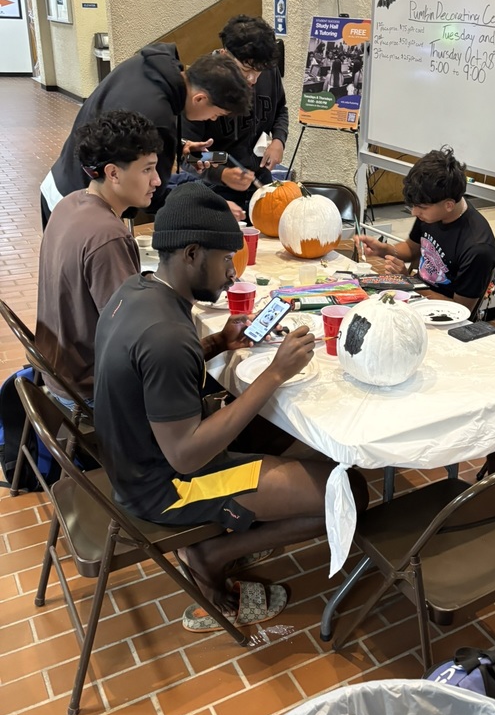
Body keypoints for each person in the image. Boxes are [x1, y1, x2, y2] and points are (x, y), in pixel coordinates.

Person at [93, 182, 368, 631]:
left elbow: (151, 375)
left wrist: (217, 342)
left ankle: (238, 529)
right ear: (192, 253)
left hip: (134, 460)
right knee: (349, 493)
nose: (230, 275)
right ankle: (209, 553)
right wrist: (274, 374)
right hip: (167, 489)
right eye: (226, 261)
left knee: (302, 445)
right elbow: (187, 455)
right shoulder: (166, 336)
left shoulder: (138, 290)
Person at [40, 45, 251, 226]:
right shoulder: (158, 116)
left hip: (61, 179)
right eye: (216, 114)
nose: (212, 120)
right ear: (200, 99)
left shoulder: (153, 66)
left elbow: (124, 135)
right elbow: (152, 195)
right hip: (81, 203)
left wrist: (179, 146)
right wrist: (211, 207)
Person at [35, 111, 163, 407]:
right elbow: (131, 337)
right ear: (113, 173)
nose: (157, 180)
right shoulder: (109, 236)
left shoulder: (69, 203)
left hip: (56, 370)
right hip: (88, 388)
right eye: (147, 169)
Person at [356, 147, 495, 316]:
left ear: (449, 205)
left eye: (421, 207)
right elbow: (411, 248)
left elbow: (460, 311)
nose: (414, 213)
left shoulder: (478, 248)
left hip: (443, 318)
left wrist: (408, 283)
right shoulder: (432, 213)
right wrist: (383, 249)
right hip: (416, 297)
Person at [182, 15, 289, 218]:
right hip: (214, 187)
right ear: (224, 55)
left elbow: (280, 109)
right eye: (245, 70)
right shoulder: (202, 83)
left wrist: (278, 140)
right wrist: (221, 172)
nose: (252, 79)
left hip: (259, 180)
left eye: (259, 72)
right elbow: (188, 154)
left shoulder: (266, 69)